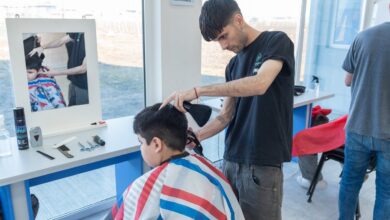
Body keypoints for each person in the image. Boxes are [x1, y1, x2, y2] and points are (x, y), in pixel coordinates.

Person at [161, 0, 295, 219]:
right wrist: (197, 136)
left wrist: (197, 91)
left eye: (223, 36)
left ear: (238, 20)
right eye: (217, 41)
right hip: (231, 160)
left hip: (261, 164)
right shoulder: (232, 66)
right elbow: (225, 116)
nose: (222, 46)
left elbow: (260, 84)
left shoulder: (276, 42)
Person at [109, 103, 244, 220]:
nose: (141, 148)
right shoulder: (211, 171)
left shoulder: (145, 187)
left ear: (156, 144)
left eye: (141, 142)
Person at [339, 2, 390, 220]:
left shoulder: (363, 37)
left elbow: (347, 80)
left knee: (350, 183)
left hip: (358, 127)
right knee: (386, 192)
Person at [29, 33, 88, 106]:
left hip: (84, 86)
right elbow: (60, 41)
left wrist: (56, 73)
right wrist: (42, 47)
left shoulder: (89, 36)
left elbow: (83, 68)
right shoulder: (77, 31)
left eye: (29, 72)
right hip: (73, 82)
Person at [24, 35, 66, 112]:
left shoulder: (46, 76)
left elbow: (58, 102)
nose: (25, 76)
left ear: (39, 70)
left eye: (30, 72)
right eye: (23, 72)